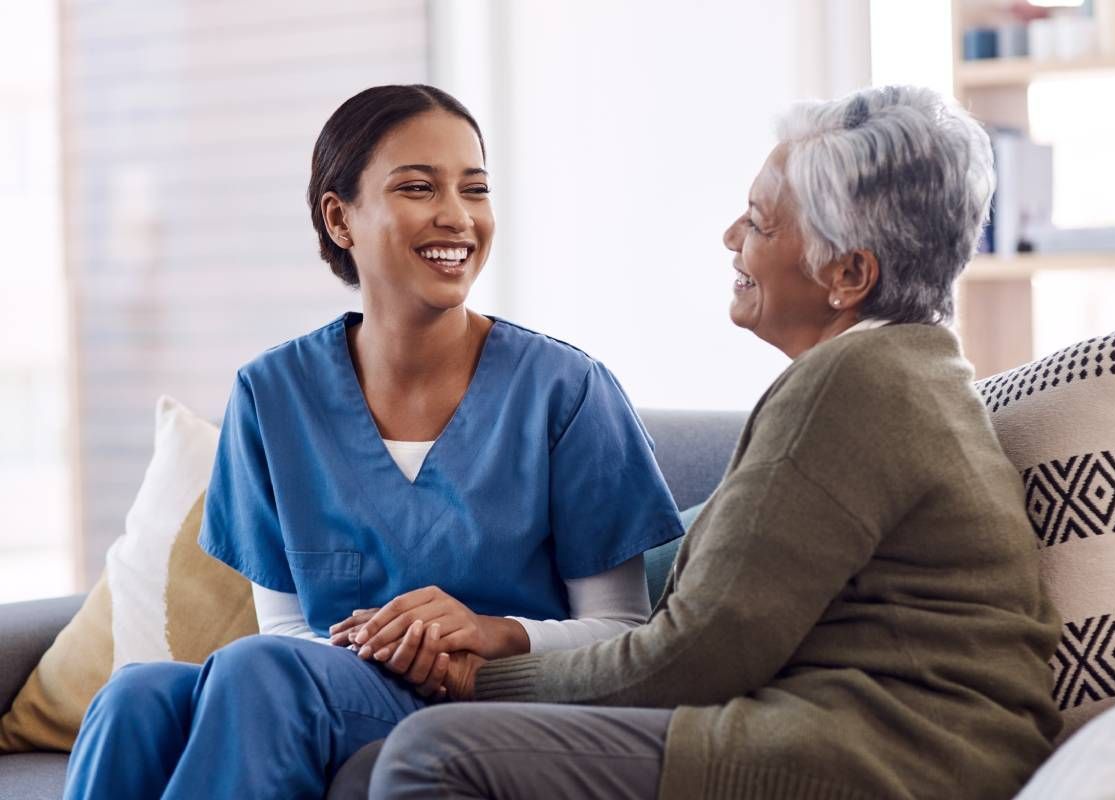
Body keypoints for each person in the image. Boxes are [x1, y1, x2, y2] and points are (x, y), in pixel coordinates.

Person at [359, 85, 1064, 800]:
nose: (732, 236)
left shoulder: (853, 387)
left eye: (759, 222)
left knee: (434, 753)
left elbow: (693, 658)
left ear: (848, 274)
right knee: (369, 767)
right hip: (880, 738)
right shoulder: (908, 370)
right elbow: (723, 605)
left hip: (886, 752)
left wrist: (480, 678)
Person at [62, 84, 683, 800]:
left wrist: (488, 632)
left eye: (474, 189)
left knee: (258, 670)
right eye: (418, 187)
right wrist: (379, 649)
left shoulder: (567, 390)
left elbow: (622, 631)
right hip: (323, 689)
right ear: (340, 218)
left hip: (491, 701)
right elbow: (290, 628)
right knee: (136, 694)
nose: (457, 215)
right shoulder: (272, 395)